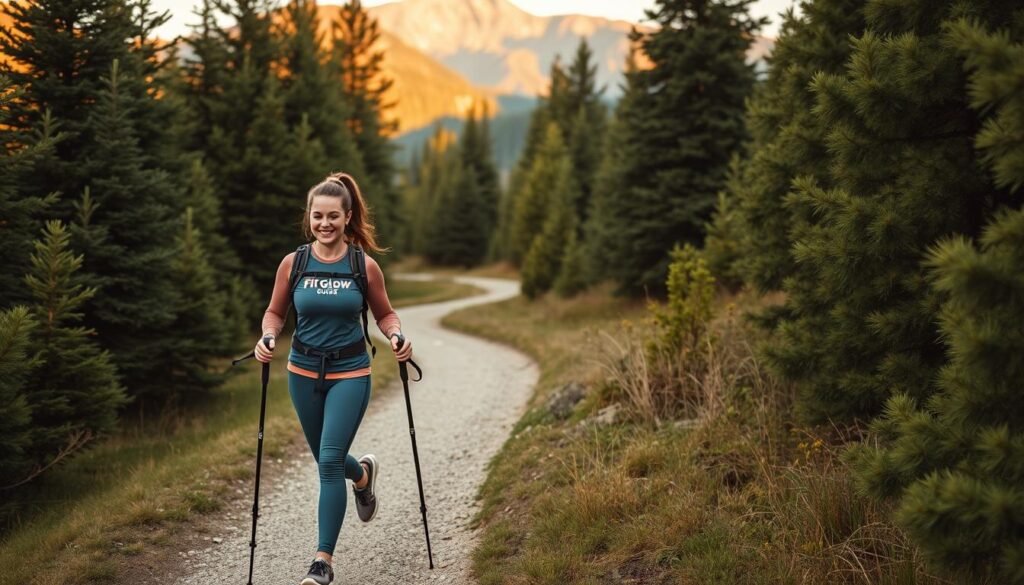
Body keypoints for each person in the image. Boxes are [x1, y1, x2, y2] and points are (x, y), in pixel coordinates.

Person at [253, 171, 413, 585]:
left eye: (333, 217)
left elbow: (384, 313)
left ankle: (322, 561)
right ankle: (361, 475)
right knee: (328, 457)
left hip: (351, 372)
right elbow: (275, 312)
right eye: (317, 216)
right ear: (309, 218)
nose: (324, 224)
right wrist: (268, 336)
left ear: (347, 217)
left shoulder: (364, 265)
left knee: (326, 461)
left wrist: (396, 335)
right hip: (302, 373)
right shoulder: (295, 262)